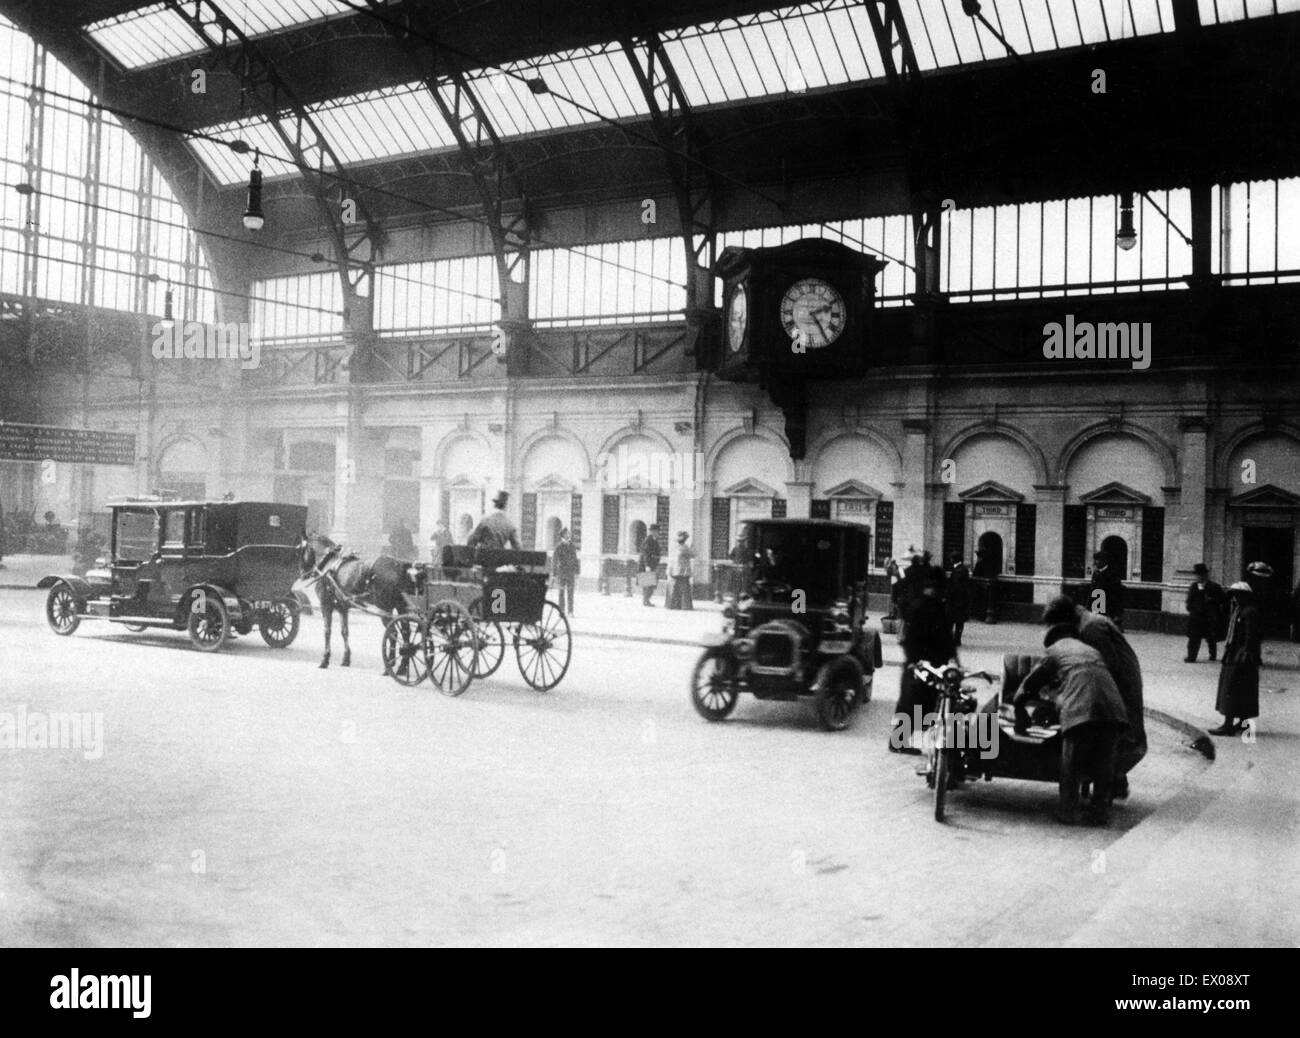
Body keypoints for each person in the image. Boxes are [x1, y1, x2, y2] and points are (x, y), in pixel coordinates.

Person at [1014, 624, 1129, 826]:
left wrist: (1018, 703)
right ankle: (1099, 813)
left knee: (1071, 765)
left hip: (1081, 709)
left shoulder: (1055, 650)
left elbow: (1033, 680)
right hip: (1113, 710)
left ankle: (1068, 811)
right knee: (1104, 765)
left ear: (1052, 640)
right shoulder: (1091, 651)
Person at [1041, 594, 1145, 799]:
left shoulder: (1091, 628)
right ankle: (1112, 787)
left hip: (1119, 688)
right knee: (1110, 739)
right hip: (1117, 686)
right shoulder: (1087, 621)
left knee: (1110, 735)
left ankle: (1108, 789)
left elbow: (1104, 666)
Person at [889, 575, 954, 754]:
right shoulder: (922, 607)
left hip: (928, 663)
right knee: (911, 705)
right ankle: (898, 742)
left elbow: (946, 637)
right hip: (920, 664)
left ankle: (903, 741)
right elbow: (909, 638)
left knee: (917, 703)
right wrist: (912, 660)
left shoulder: (933, 606)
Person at [1211, 582, 1262, 736]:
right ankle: (1243, 723)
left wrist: (1244, 652)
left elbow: (1250, 636)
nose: (1235, 598)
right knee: (1244, 691)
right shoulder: (1240, 610)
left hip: (1240, 657)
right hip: (1237, 654)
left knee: (1231, 689)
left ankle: (1228, 725)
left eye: (1237, 595)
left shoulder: (1248, 612)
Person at [1185, 563, 1225, 662]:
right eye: (1197, 575)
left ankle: (1213, 655)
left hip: (1209, 617)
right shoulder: (1194, 587)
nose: (1199, 577)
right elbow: (1189, 601)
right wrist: (1192, 609)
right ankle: (1191, 657)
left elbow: (1223, 599)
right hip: (1196, 617)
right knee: (1193, 639)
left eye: (1201, 574)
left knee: (1211, 638)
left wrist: (1212, 601)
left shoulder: (1214, 587)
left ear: (1205, 575)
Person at [1089, 551, 1126, 629]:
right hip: (1096, 607)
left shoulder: (1112, 574)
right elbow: (1092, 591)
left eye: (1098, 560)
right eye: (1095, 560)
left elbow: (1116, 594)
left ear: (1105, 561)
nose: (1096, 562)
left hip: (1107, 608)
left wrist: (1116, 613)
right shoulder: (1096, 574)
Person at [551, 527, 578, 616]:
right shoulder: (559, 546)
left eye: (569, 533)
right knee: (561, 592)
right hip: (561, 573)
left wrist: (576, 572)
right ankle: (561, 611)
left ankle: (570, 611)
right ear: (563, 535)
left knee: (571, 592)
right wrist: (554, 573)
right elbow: (554, 560)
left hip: (570, 573)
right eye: (567, 533)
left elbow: (575, 559)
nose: (569, 535)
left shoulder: (572, 546)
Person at [946, 553, 971, 647]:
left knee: (951, 620)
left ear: (954, 560)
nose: (950, 560)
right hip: (961, 600)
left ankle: (952, 640)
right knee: (959, 622)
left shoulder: (958, 570)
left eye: (951, 559)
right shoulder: (963, 569)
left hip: (955, 600)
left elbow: (956, 586)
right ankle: (957, 639)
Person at [666, 531, 694, 610]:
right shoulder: (685, 548)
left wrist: (669, 570)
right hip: (683, 571)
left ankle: (674, 605)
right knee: (684, 588)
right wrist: (692, 547)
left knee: (675, 587)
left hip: (675, 570)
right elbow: (693, 555)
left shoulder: (674, 547)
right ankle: (684, 605)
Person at [638, 524, 662, 606]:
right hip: (647, 566)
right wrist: (647, 565)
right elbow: (645, 553)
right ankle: (646, 601)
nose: (659, 533)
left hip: (651, 565)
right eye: (657, 531)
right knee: (649, 584)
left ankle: (646, 600)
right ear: (653, 532)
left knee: (650, 584)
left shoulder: (653, 540)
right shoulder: (649, 540)